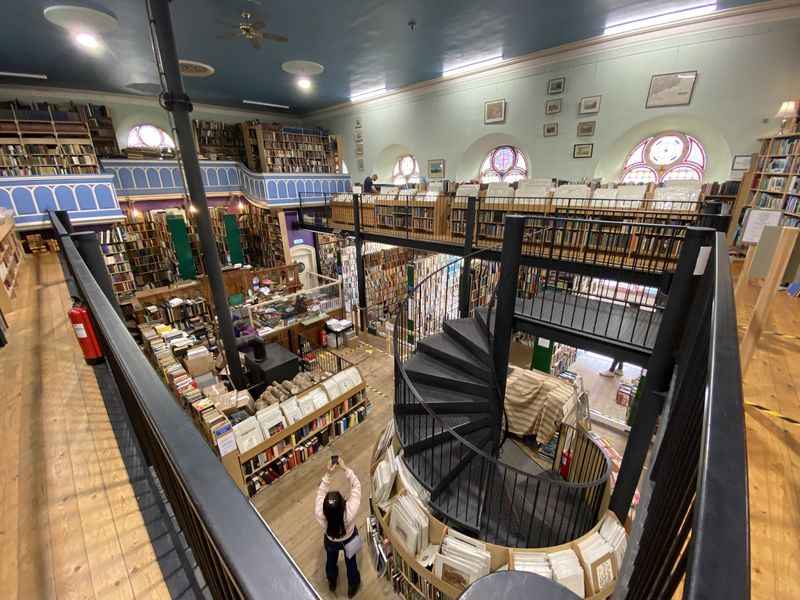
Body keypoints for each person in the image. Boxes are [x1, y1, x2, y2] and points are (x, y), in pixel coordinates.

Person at [315, 458, 362, 597]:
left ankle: (332, 580)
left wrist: (328, 474)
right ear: (343, 503)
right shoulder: (350, 510)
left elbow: (320, 492)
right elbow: (357, 485)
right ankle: (353, 584)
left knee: (330, 560)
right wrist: (345, 468)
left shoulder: (320, 513)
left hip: (331, 541)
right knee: (351, 562)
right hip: (350, 538)